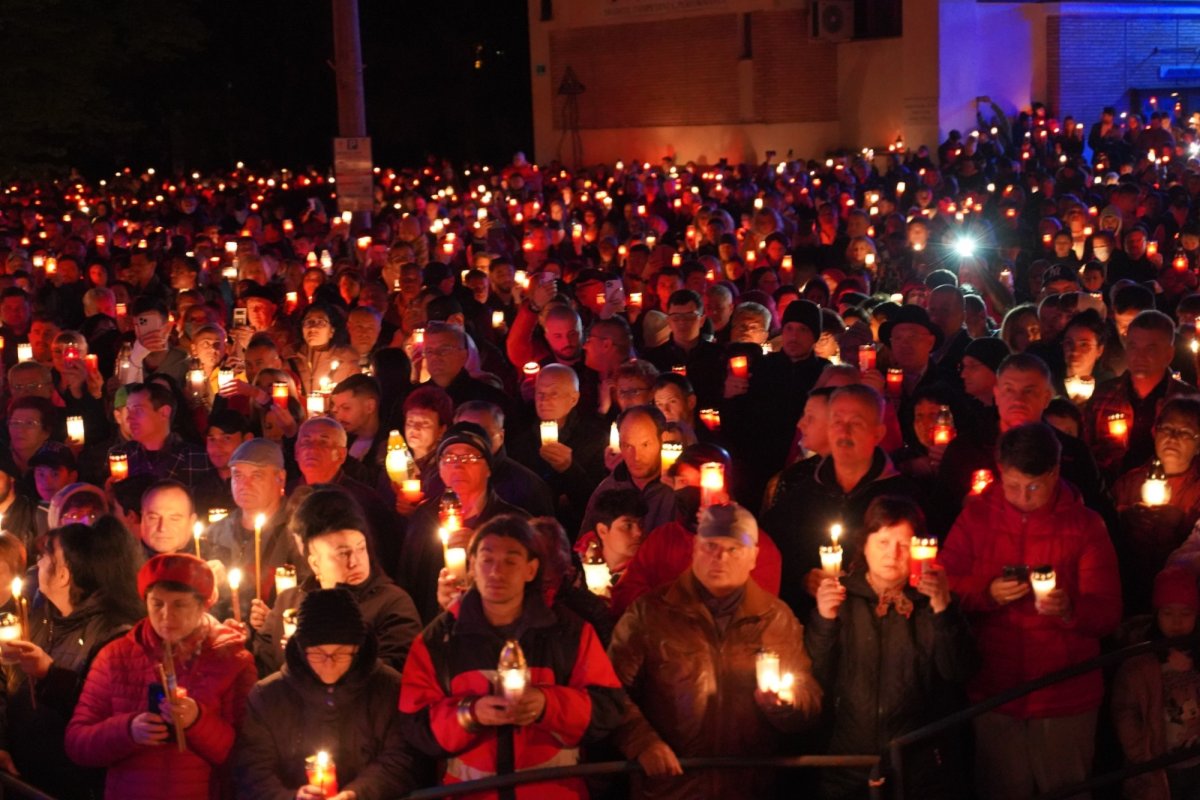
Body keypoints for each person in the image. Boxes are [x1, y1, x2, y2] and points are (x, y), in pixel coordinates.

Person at [941, 422, 1122, 800]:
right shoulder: (977, 518)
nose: (1022, 497)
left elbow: (1107, 613)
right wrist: (986, 591)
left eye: (1034, 487)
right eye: (1012, 485)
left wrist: (1070, 609)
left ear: (1055, 472)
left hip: (1064, 694)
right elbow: (943, 585)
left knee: (1067, 789)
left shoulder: (1086, 526)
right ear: (1000, 470)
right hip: (996, 689)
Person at [399, 514, 625, 798]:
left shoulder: (569, 633)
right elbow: (414, 723)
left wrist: (547, 705)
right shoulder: (439, 639)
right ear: (472, 566)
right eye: (487, 559)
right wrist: (470, 714)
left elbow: (608, 707)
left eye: (511, 560)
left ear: (531, 569)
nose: (497, 572)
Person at [608, 502, 821, 799]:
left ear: (753, 557)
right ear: (694, 548)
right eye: (710, 546)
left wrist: (788, 705)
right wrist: (642, 742)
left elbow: (808, 698)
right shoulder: (650, 614)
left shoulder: (776, 620)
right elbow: (608, 691)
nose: (720, 557)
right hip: (671, 787)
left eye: (734, 548)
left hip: (748, 787)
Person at [807, 496, 976, 800]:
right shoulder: (844, 599)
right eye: (883, 541)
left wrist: (943, 609)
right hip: (849, 762)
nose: (892, 554)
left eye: (903, 544)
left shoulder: (929, 602)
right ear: (865, 543)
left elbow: (958, 671)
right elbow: (817, 673)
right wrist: (824, 619)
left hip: (920, 765)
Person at [65, 553, 258, 800]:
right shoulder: (115, 657)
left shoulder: (233, 661)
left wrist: (197, 721)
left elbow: (246, 754)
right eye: (157, 604)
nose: (167, 615)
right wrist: (128, 731)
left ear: (203, 605)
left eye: (180, 604)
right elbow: (77, 743)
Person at [0, 517, 144, 799]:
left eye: (44, 557)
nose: (36, 564)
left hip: (72, 786)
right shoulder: (40, 614)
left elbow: (103, 717)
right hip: (22, 778)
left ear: (63, 574)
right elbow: (4, 680)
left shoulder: (115, 636)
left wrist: (49, 674)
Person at [237, 588, 418, 799]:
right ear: (301, 649)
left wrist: (356, 794)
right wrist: (293, 797)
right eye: (318, 653)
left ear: (357, 649)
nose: (329, 663)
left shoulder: (388, 689)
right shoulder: (268, 697)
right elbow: (253, 771)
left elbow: (402, 761)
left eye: (341, 653)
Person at [764, 384, 920, 618]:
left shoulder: (904, 496)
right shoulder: (802, 493)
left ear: (877, 433)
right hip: (812, 624)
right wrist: (803, 579)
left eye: (856, 423)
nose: (844, 432)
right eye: (837, 421)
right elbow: (771, 552)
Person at [249, 485, 420, 676]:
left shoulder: (392, 603)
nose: (355, 562)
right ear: (314, 563)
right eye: (342, 553)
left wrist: (321, 657)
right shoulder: (288, 603)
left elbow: (393, 676)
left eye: (361, 548)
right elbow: (260, 666)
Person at [397, 422, 527, 623]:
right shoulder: (424, 517)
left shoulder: (513, 522)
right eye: (449, 457)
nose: (457, 464)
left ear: (488, 468)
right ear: (439, 467)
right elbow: (408, 581)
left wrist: (481, 547)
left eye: (469, 457)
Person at [1111, 567, 1200, 800]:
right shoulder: (1141, 663)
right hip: (1159, 765)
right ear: (1156, 614)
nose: (1177, 622)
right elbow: (1125, 710)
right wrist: (1141, 755)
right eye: (1168, 613)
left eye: (1186, 613)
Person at [1112, 398, 1200, 613]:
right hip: (1130, 591)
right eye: (1167, 428)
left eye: (1185, 432)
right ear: (1154, 432)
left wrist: (1181, 524)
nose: (1173, 438)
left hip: (1182, 605)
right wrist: (1124, 517)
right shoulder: (1129, 482)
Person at [206, 438, 305, 619]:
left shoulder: (297, 532)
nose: (244, 484)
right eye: (238, 475)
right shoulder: (217, 532)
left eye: (257, 475)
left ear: (281, 478)